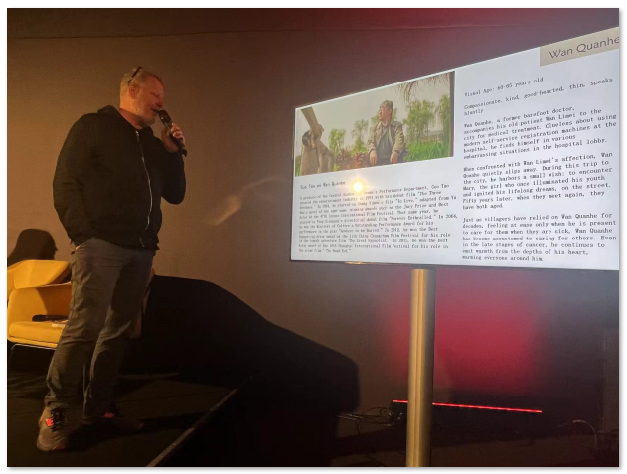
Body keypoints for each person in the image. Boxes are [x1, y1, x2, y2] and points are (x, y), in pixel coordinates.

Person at [37, 67, 187, 451]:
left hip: (141, 250)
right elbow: (65, 182)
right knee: (84, 328)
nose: (161, 103)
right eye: (155, 94)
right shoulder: (92, 126)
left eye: (163, 97)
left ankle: (98, 408)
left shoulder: (153, 143)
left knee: (118, 331)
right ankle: (55, 411)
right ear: (131, 90)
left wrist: (173, 155)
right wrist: (83, 237)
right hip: (100, 245)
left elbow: (175, 194)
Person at [367, 100, 405, 166]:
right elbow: (370, 142)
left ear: (390, 111)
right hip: (377, 161)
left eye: (382, 109)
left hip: (391, 160)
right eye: (379, 110)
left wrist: (395, 151)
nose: (380, 112)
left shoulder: (397, 126)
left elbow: (399, 139)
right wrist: (372, 151)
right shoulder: (374, 128)